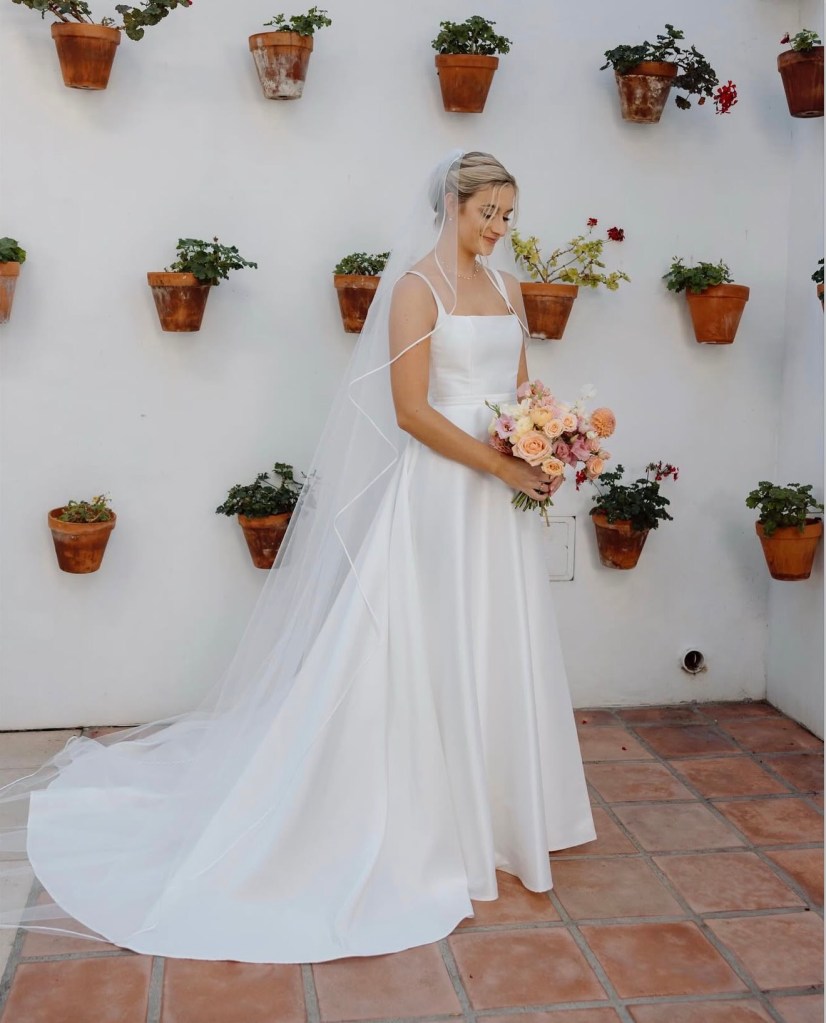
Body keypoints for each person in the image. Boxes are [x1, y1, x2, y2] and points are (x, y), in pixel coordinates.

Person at [0, 150, 595, 964]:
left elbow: (523, 390)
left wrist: (548, 443)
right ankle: (430, 817)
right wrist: (500, 464)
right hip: (443, 496)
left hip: (500, 501)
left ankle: (501, 811)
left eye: (508, 215)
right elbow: (412, 412)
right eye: (487, 211)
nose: (499, 228)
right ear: (451, 205)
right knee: (431, 640)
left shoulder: (506, 289)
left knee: (498, 636)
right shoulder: (416, 290)